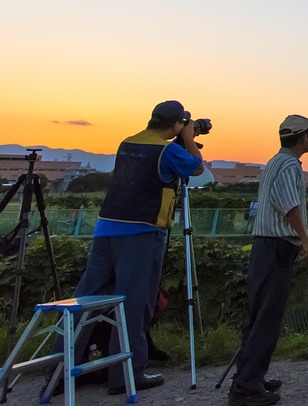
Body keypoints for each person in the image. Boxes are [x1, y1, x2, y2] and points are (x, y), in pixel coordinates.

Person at [66, 100, 205, 395]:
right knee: (134, 304)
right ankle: (126, 374)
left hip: (106, 228)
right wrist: (190, 140)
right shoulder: (168, 150)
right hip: (141, 233)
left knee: (86, 300)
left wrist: (183, 136)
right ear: (177, 124)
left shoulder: (127, 142)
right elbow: (196, 168)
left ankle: (62, 369)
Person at [230, 114, 308, 406]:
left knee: (259, 317)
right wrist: (307, 241)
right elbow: (289, 208)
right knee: (266, 320)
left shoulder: (276, 162)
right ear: (303, 138)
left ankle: (251, 378)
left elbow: (284, 200)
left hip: (266, 246)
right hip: (276, 248)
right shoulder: (289, 166)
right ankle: (246, 389)